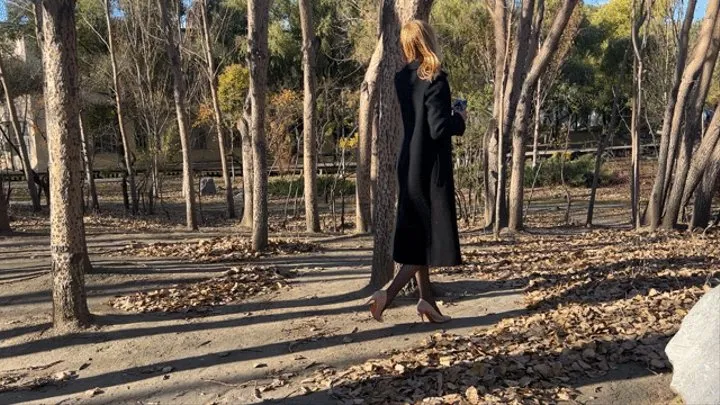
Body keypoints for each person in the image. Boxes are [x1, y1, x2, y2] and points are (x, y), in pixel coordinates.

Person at [366, 20, 466, 324]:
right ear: (428, 40)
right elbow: (438, 127)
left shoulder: (401, 78)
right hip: (429, 167)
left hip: (407, 160)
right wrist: (458, 118)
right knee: (427, 238)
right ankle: (388, 294)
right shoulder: (435, 77)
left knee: (417, 234)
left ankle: (426, 301)